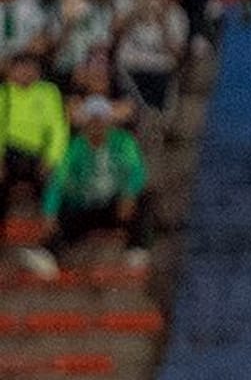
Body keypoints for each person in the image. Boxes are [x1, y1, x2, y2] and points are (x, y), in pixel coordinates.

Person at [28, 95, 151, 277]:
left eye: (100, 120)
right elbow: (57, 183)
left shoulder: (124, 141)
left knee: (144, 198)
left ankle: (137, 249)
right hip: (86, 205)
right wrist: (49, 213)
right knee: (63, 208)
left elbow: (137, 171)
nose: (96, 125)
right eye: (92, 120)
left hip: (114, 205)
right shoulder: (75, 147)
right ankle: (49, 254)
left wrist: (129, 194)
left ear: (108, 121)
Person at [1, 52, 66, 226]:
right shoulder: (4, 93)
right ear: (11, 71)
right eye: (22, 68)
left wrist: (51, 160)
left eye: (32, 68)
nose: (27, 72)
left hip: (39, 153)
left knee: (58, 180)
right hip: (9, 152)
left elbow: (58, 128)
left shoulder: (49, 92)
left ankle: (50, 235)